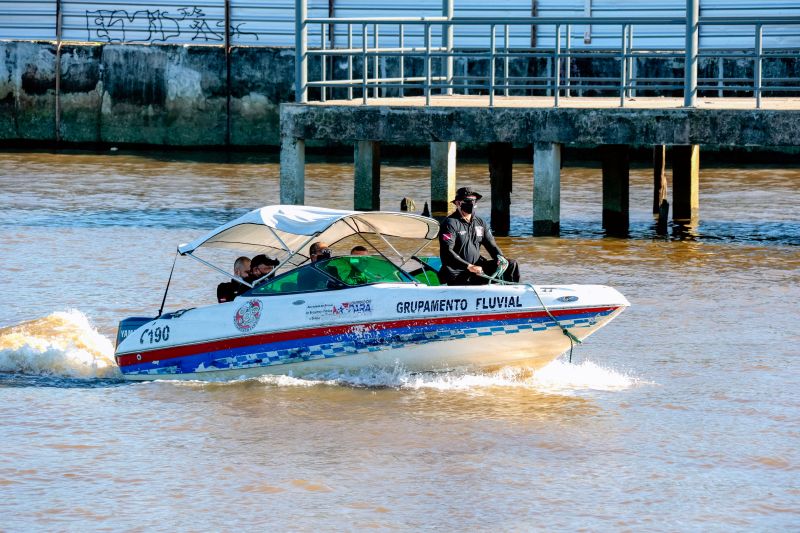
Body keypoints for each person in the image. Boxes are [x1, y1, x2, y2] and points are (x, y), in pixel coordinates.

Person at [438, 187, 520, 286]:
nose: (472, 203)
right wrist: (469, 266)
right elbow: (447, 251)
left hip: (478, 269)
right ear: (458, 203)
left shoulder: (481, 223)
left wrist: (500, 258)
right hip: (458, 273)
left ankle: (512, 294)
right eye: (468, 201)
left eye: (474, 201)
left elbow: (492, 246)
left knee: (511, 264)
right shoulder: (449, 223)